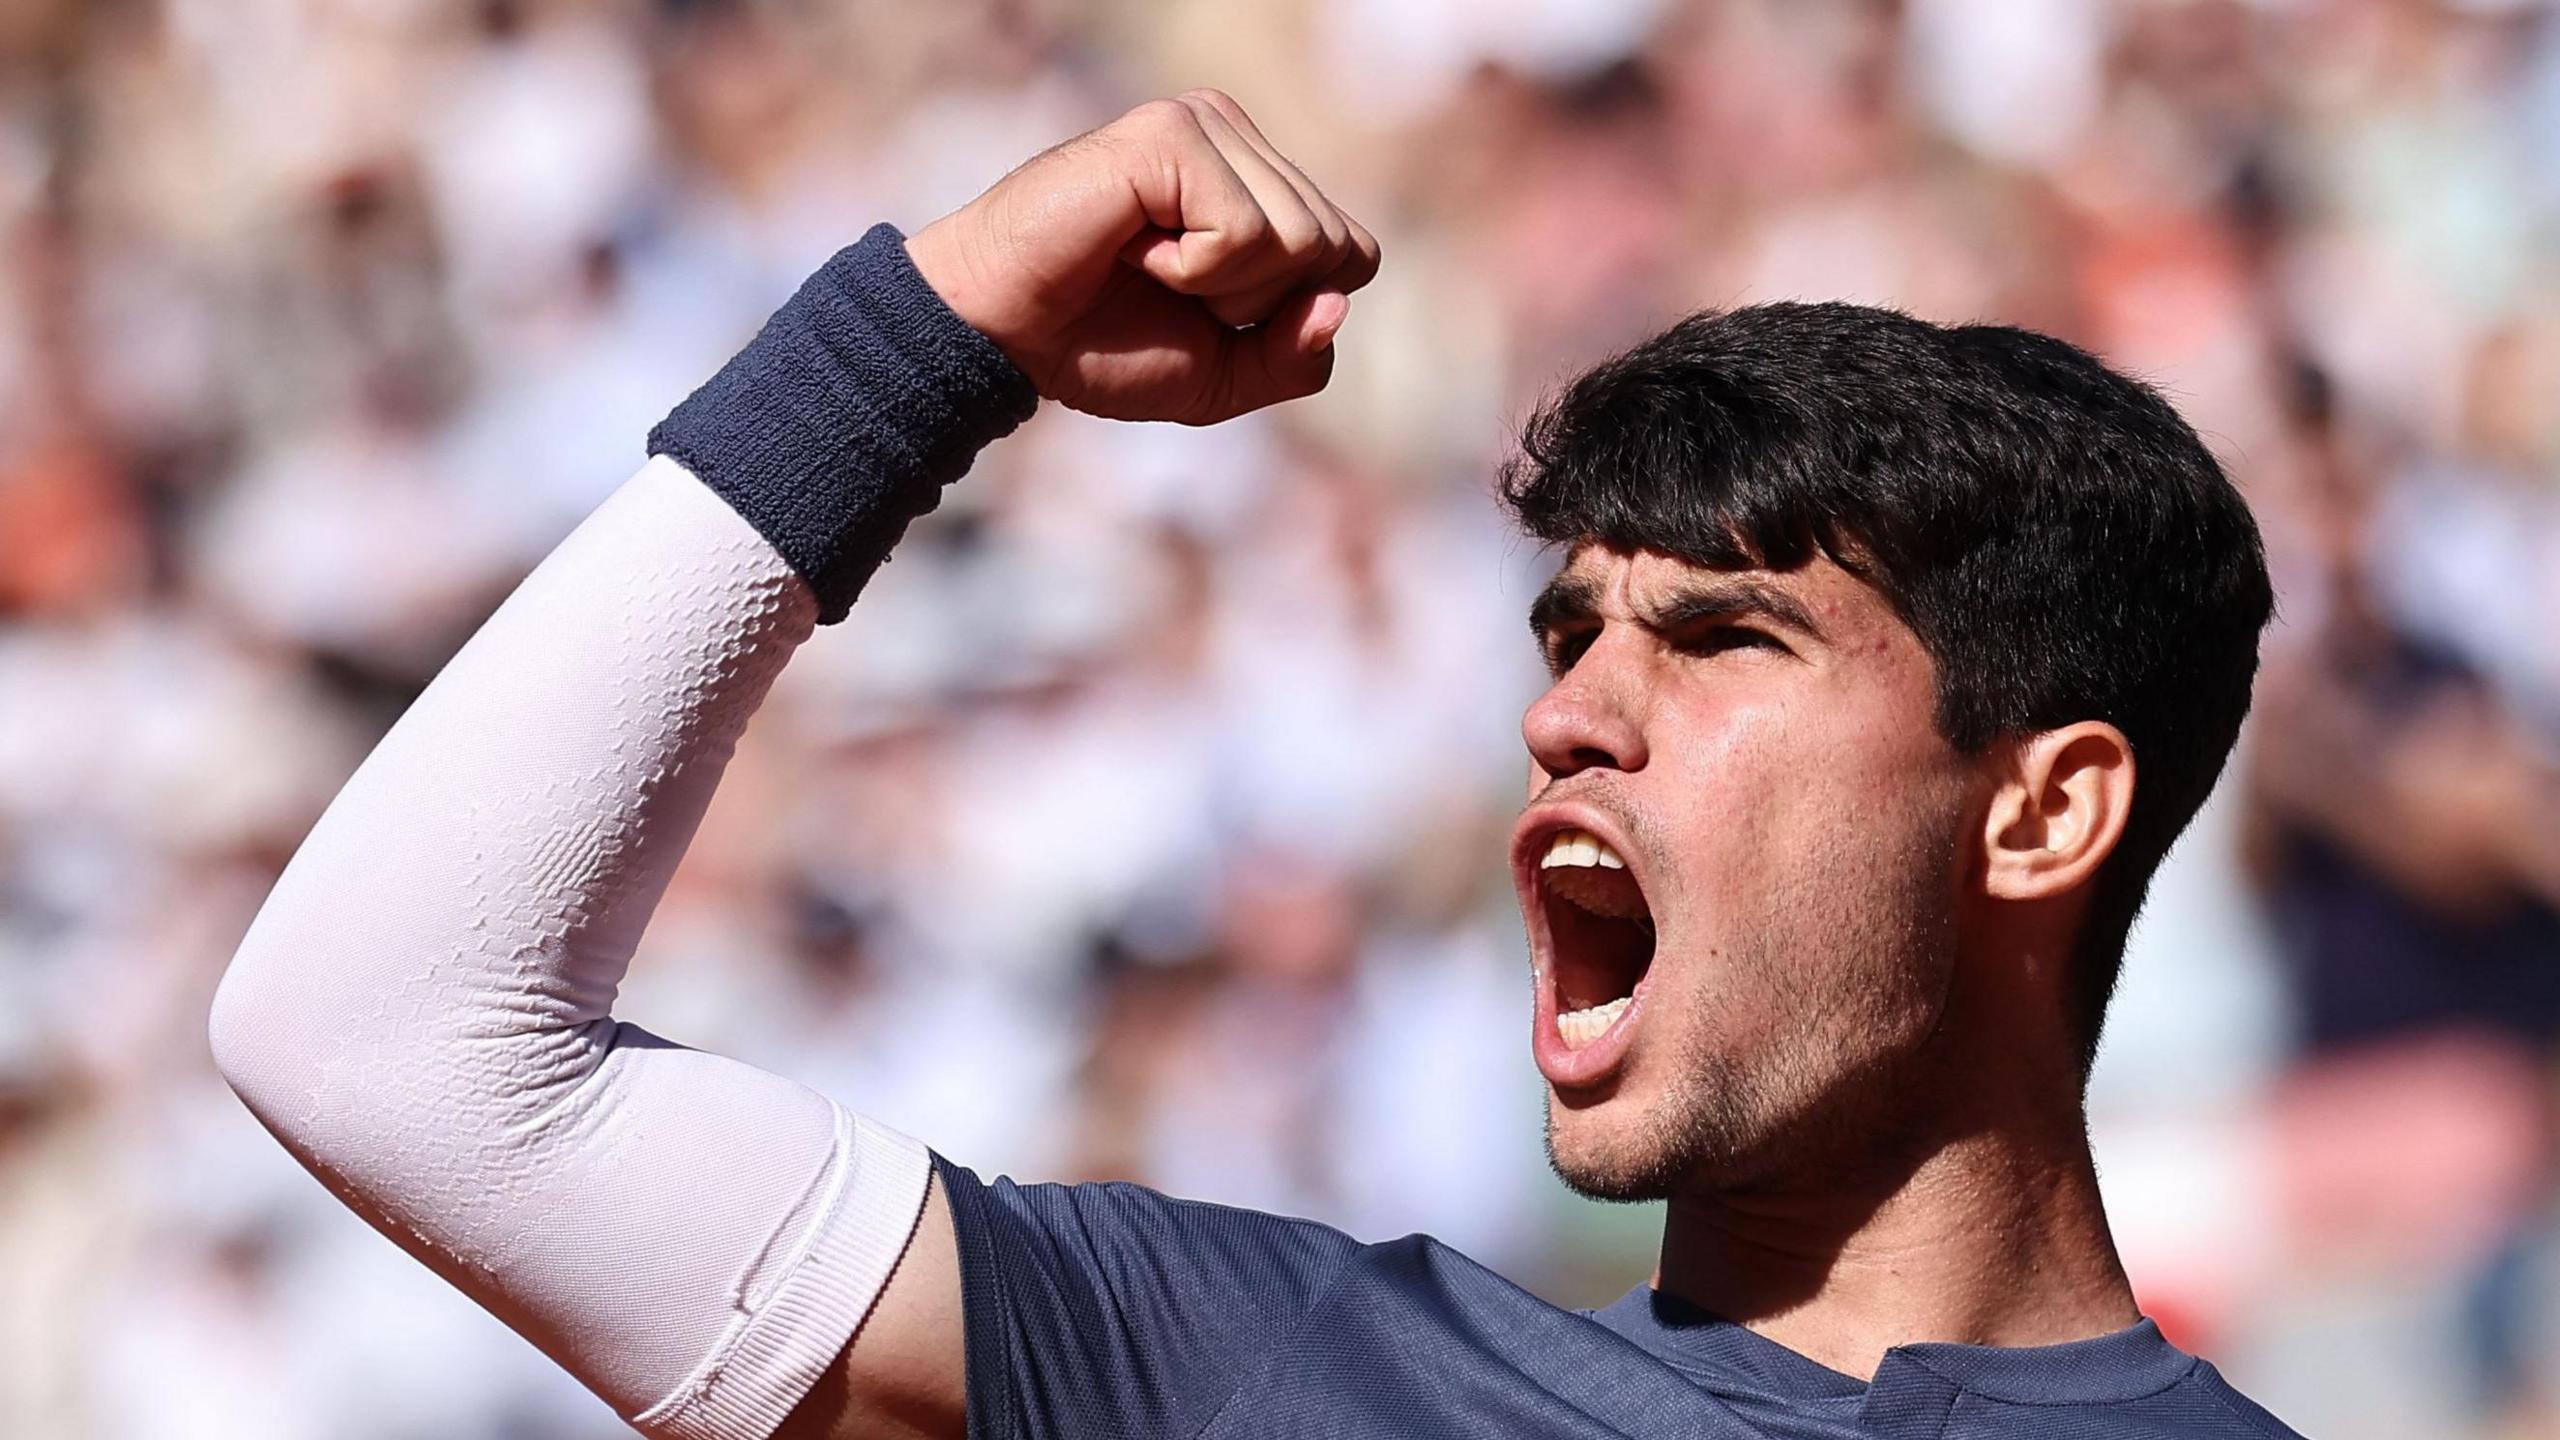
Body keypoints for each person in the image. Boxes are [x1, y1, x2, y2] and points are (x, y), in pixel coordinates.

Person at [209, 90, 2306, 1439]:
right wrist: (918, 351)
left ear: (2038, 811)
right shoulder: (1262, 1381)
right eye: (1567, 631)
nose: (1568, 710)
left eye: (1722, 639)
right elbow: (389, 1042)